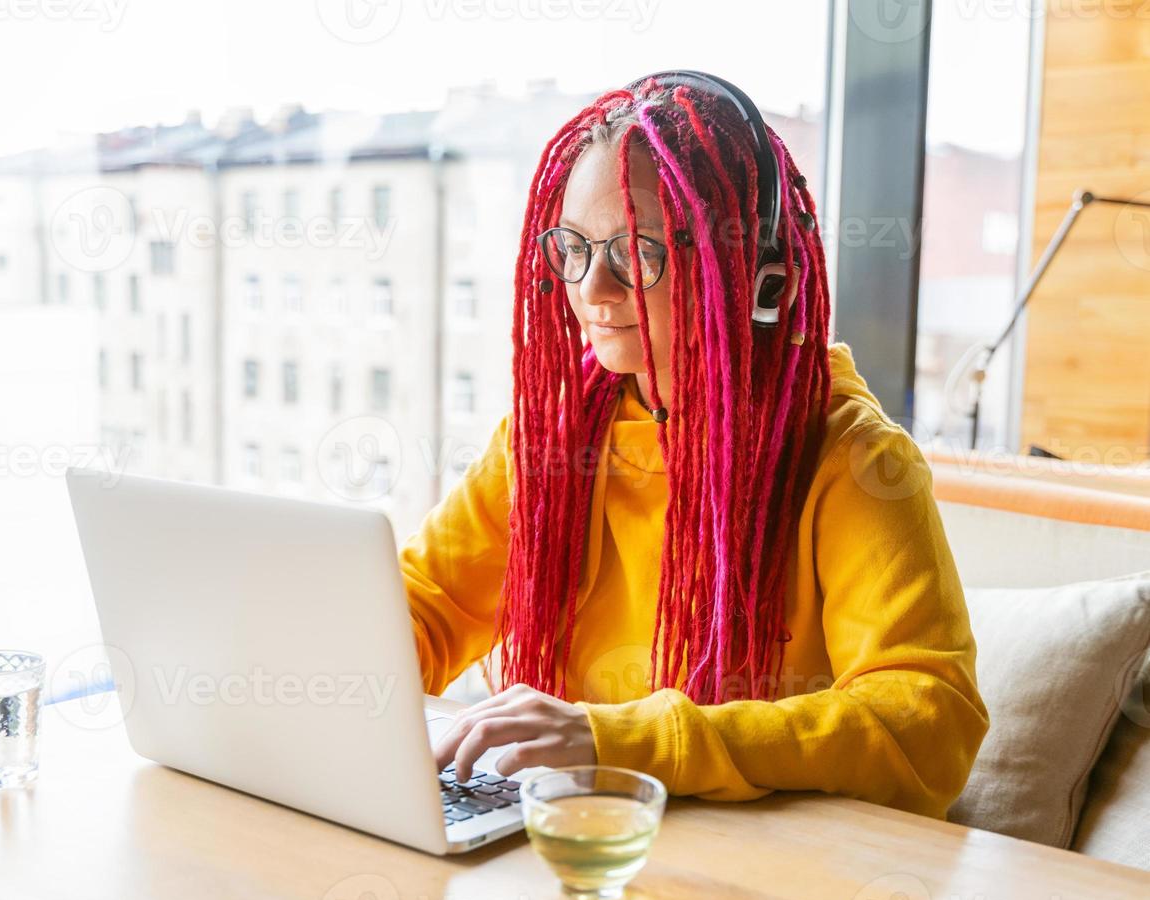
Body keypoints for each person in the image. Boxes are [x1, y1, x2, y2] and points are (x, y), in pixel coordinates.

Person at [401, 71, 988, 819]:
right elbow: (424, 607)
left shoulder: (855, 460)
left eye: (638, 252)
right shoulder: (547, 438)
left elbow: (928, 724)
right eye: (571, 248)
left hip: (756, 866)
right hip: (567, 834)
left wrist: (614, 738)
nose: (592, 289)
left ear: (752, 274)